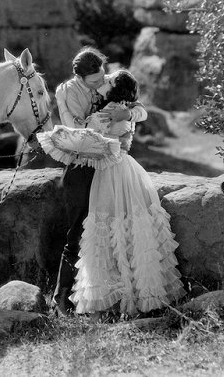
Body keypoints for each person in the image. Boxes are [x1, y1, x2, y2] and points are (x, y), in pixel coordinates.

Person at [69, 69, 186, 316]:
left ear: (114, 88)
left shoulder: (112, 110)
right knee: (125, 226)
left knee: (113, 223)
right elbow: (136, 113)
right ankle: (130, 293)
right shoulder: (120, 107)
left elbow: (94, 136)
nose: (104, 81)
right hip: (122, 168)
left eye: (109, 80)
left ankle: (120, 296)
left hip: (112, 171)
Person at [51, 48, 146, 315]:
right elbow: (76, 131)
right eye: (94, 82)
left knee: (112, 230)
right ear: (79, 77)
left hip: (110, 171)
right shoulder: (66, 92)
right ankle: (62, 299)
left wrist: (126, 115)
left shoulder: (108, 85)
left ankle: (110, 296)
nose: (99, 85)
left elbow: (139, 107)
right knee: (79, 232)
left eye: (102, 79)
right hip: (83, 166)